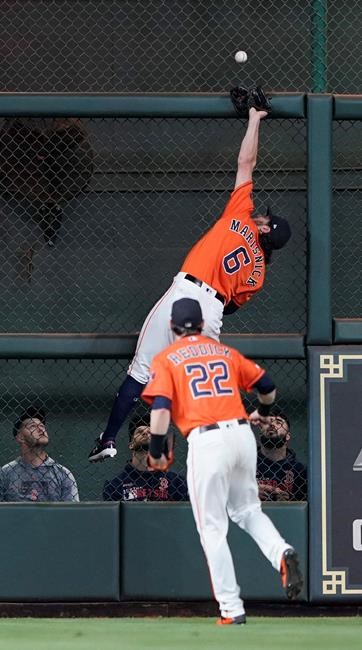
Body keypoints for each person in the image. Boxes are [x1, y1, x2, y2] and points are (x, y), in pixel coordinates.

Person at [89, 85, 292, 462]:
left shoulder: (240, 214)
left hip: (186, 292)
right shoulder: (259, 272)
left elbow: (246, 163)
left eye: (265, 220)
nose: (261, 217)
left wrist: (253, 119)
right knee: (202, 382)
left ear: (265, 230)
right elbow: (230, 308)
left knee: (141, 370)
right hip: (212, 309)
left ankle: (108, 439)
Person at [141, 297, 303, 625]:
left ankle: (231, 608)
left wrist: (156, 451)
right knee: (248, 511)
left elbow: (160, 410)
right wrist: (263, 412)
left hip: (207, 439)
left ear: (173, 327)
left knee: (213, 527)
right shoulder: (224, 352)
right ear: (202, 325)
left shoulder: (168, 357)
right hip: (242, 434)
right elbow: (268, 387)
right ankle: (281, 552)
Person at [103, 410, 188, 501]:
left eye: (150, 432)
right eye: (140, 432)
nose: (146, 433)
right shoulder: (115, 485)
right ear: (131, 444)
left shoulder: (177, 483)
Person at [0, 406, 79, 502]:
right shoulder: (5, 473)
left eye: (42, 426)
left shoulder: (63, 474)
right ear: (20, 437)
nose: (41, 429)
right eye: (33, 426)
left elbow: (71, 513)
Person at [256, 409, 307, 501]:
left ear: (288, 436)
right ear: (260, 432)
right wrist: (252, 493)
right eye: (268, 422)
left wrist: (288, 500)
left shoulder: (298, 470)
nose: (272, 425)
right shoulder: (246, 462)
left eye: (278, 423)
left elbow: (303, 501)